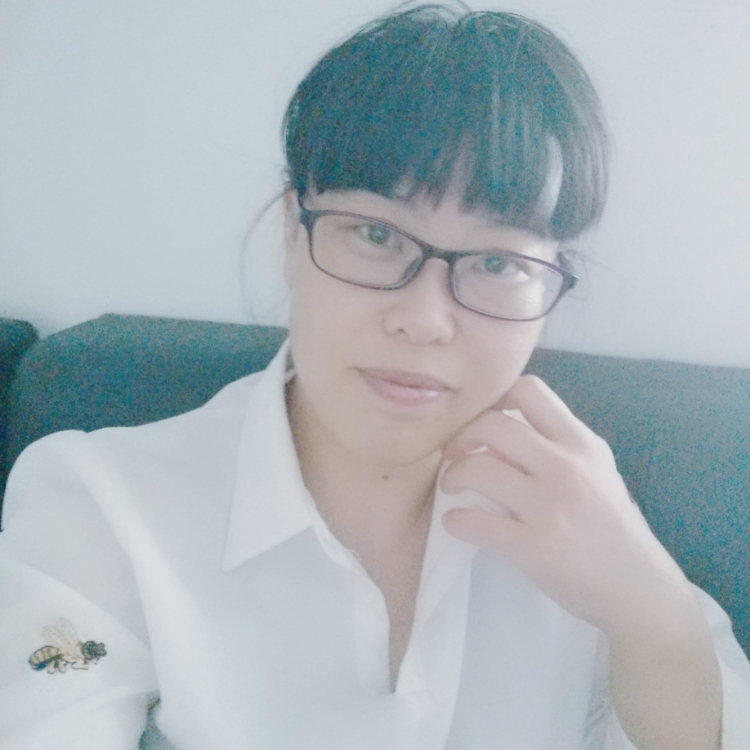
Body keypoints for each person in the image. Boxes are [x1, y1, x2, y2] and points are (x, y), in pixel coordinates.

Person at [1, 3, 749, 749]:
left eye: (497, 262)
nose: (424, 320)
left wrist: (654, 618)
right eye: (376, 234)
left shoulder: (589, 524)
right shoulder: (102, 507)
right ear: (292, 232)